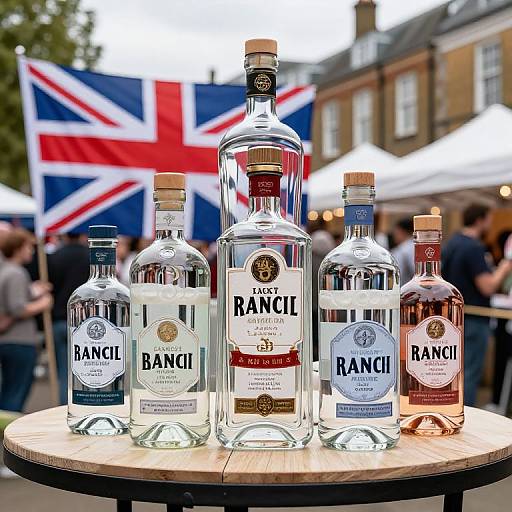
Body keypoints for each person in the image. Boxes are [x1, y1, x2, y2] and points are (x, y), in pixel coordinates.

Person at [442, 204, 512, 406]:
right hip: (473, 320)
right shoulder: (473, 247)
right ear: (480, 219)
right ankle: (466, 418)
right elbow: (487, 287)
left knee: (453, 373)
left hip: (454, 318)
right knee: (470, 375)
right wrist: (504, 268)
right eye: (489, 218)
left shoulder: (452, 243)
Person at [0, 229, 53, 412]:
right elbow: (17, 308)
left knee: (9, 390)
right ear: (17, 248)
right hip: (19, 341)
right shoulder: (16, 273)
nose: (31, 250)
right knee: (15, 394)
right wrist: (43, 304)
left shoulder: (6, 270)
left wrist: (33, 290)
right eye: (28, 246)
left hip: (9, 341)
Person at [48, 233, 90, 404]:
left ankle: (64, 405)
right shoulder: (89, 257)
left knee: (64, 372)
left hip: (58, 320)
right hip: (84, 322)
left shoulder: (54, 257)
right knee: (87, 371)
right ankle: (78, 404)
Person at [312, 229, 336, 360]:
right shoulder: (331, 263)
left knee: (314, 335)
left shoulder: (309, 261)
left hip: (312, 306)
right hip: (328, 305)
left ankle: (316, 356)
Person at [391, 218, 415, 284]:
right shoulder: (413, 247)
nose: (394, 235)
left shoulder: (404, 249)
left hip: (404, 288)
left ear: (401, 231)